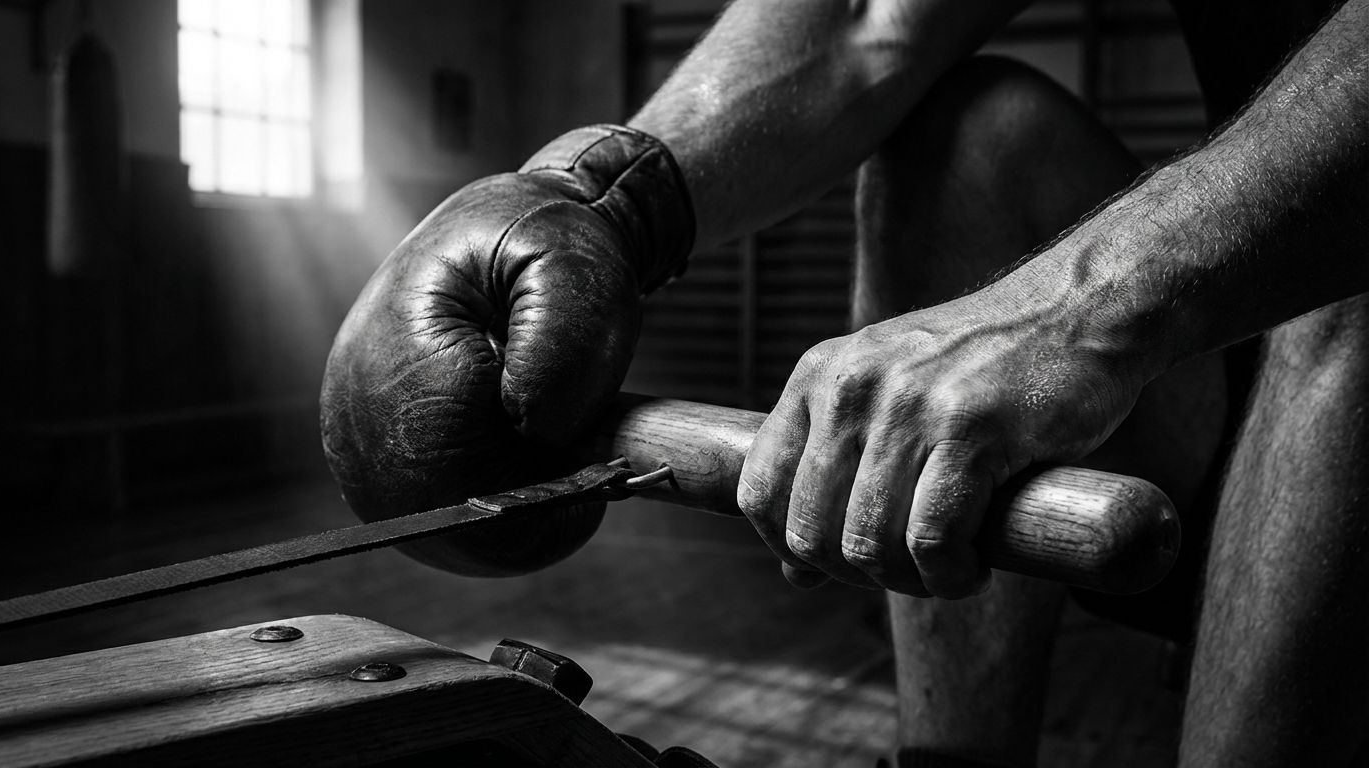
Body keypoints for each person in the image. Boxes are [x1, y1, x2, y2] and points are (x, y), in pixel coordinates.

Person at [321, 1, 1369, 765]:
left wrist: (1080, 308)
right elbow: (874, 16)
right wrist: (595, 193)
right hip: (1240, 397)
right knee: (971, 135)